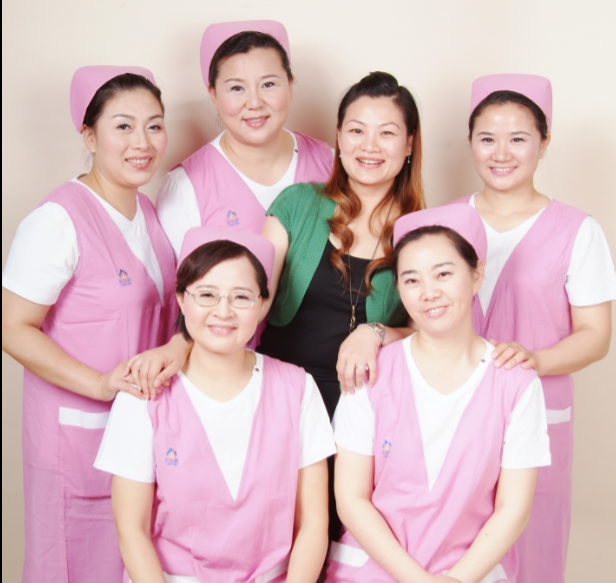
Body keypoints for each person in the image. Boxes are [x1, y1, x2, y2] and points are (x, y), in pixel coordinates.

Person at [1, 66, 177, 583]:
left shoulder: (147, 211)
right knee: (76, 565)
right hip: (77, 438)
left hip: (137, 431)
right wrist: (100, 384)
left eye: (154, 125)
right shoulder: (58, 220)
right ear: (89, 135)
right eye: (123, 126)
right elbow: (11, 327)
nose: (142, 142)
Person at [325, 204, 551, 583]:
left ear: (476, 275)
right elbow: (351, 499)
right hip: (372, 571)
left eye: (443, 274)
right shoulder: (371, 373)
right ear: (399, 289)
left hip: (471, 573)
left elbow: (513, 510)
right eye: (412, 280)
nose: (429, 293)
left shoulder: (515, 383)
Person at [95, 228, 335, 583]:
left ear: (263, 304)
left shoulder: (297, 389)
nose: (223, 311)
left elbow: (314, 523)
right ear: (181, 299)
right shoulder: (143, 396)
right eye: (206, 295)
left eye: (241, 297)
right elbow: (131, 530)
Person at [454, 74, 616, 583]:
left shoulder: (578, 231)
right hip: (452, 412)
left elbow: (596, 334)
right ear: (470, 141)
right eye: (487, 138)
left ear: (544, 143)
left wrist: (536, 360)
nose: (501, 153)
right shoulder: (442, 224)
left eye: (518, 138)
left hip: (538, 412)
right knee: (450, 547)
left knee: (534, 550)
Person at [258, 71, 423, 541]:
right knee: (274, 539)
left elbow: (435, 329)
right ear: (338, 136)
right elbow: (251, 293)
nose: (369, 146)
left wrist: (376, 332)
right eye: (356, 130)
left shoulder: (422, 230)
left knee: (343, 544)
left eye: (386, 133)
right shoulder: (297, 204)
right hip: (280, 402)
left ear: (409, 144)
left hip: (363, 416)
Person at [156, 19, 333, 259]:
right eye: (237, 88)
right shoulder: (184, 188)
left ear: (290, 86)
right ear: (214, 95)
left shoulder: (333, 164)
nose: (254, 103)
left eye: (268, 84)